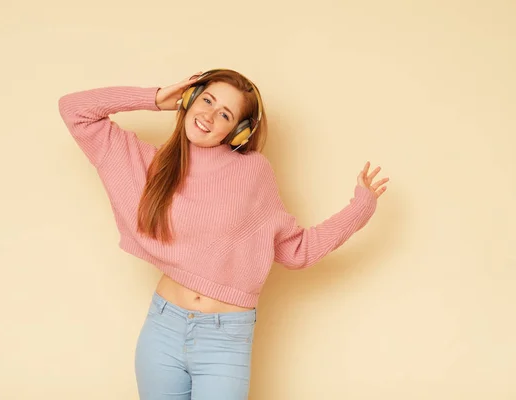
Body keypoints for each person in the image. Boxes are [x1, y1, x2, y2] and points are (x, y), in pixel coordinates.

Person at [58, 68, 388, 400]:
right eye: (206, 100)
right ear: (188, 99)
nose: (209, 115)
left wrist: (360, 208)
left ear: (239, 131)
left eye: (225, 114)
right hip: (162, 328)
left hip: (225, 339)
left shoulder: (252, 172)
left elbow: (296, 250)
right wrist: (155, 98)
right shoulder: (150, 164)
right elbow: (74, 109)